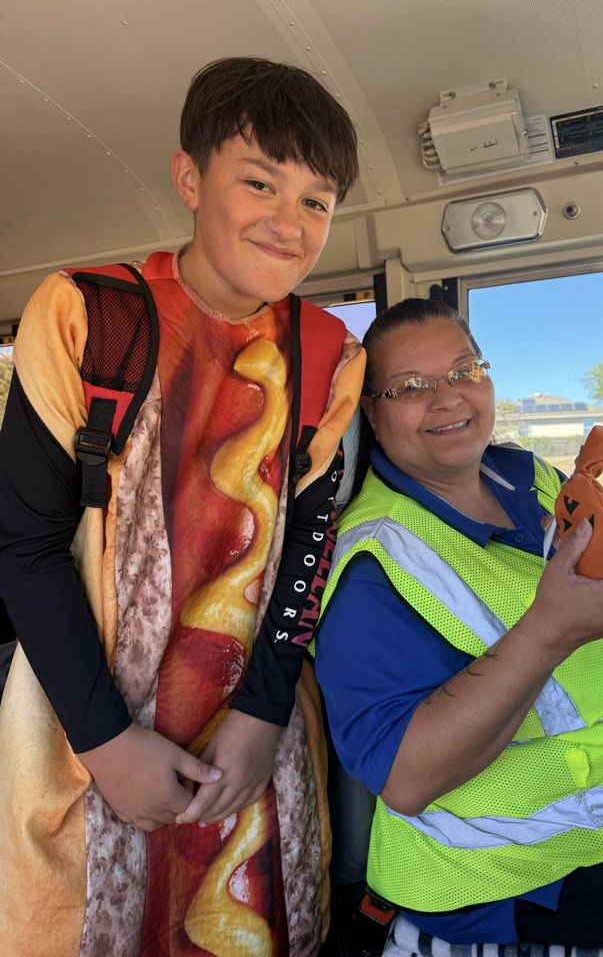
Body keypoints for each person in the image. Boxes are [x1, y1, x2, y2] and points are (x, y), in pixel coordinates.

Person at [0, 57, 365, 956]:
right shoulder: (88, 312)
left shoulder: (328, 352)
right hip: (80, 735)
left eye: (318, 201)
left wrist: (264, 714)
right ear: (190, 179)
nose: (291, 223)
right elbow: (25, 547)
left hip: (257, 747)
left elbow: (308, 553)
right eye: (260, 182)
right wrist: (107, 744)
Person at [314, 298, 603, 957]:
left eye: (464, 370)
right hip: (523, 864)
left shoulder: (526, 473)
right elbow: (405, 778)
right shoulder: (374, 562)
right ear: (371, 412)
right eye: (410, 387)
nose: (447, 399)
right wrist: (549, 630)